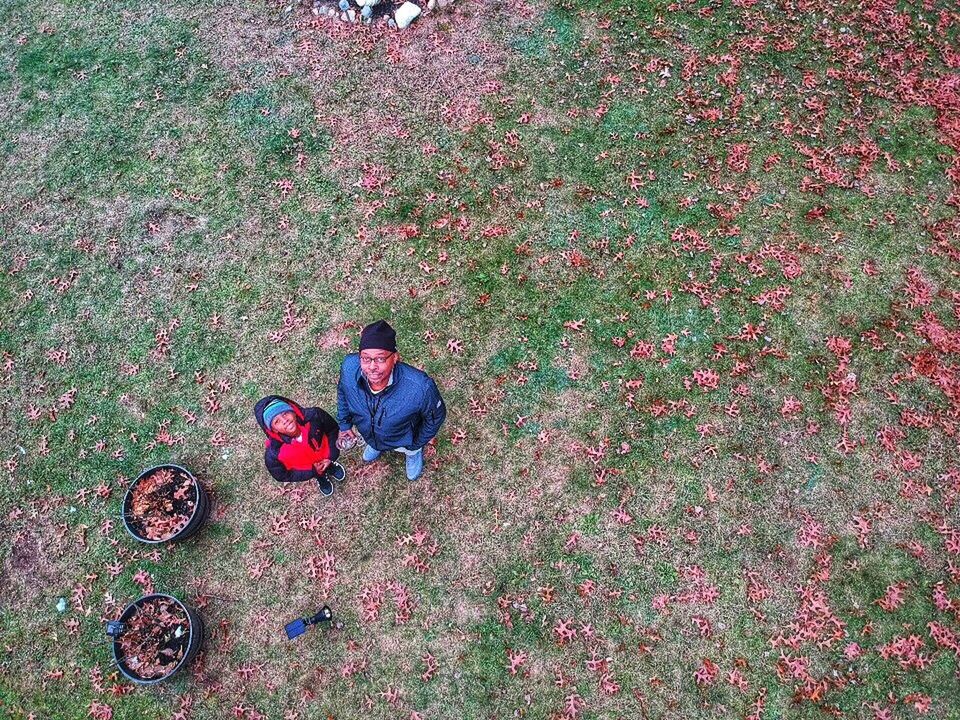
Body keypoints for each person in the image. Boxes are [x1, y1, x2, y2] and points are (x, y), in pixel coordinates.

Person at [336, 320, 446, 481]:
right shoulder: (349, 367)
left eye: (380, 359)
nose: (372, 367)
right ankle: (375, 444)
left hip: (404, 438)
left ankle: (413, 454)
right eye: (365, 359)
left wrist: (415, 443)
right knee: (373, 442)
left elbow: (436, 417)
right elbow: (343, 393)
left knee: (410, 449)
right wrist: (345, 424)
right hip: (368, 433)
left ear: (395, 358)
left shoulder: (421, 388)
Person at [254, 395, 346, 497]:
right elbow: (282, 475)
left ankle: (331, 467)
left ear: (293, 411)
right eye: (277, 421)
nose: (285, 421)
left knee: (328, 464)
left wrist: (331, 456)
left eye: (285, 413)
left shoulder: (315, 416)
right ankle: (321, 478)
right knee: (318, 473)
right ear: (273, 430)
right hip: (310, 468)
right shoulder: (274, 454)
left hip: (326, 455)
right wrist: (312, 471)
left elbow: (333, 430)